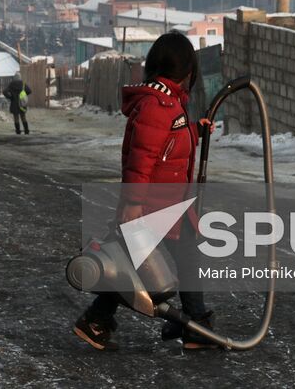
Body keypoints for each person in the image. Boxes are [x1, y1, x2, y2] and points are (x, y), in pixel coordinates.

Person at [73, 32, 214, 352]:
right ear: (184, 68)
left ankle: (98, 321)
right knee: (154, 263)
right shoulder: (157, 104)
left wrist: (196, 129)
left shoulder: (169, 100)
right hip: (153, 207)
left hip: (167, 204)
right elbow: (141, 159)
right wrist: (134, 204)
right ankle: (195, 326)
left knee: (134, 265)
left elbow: (167, 142)